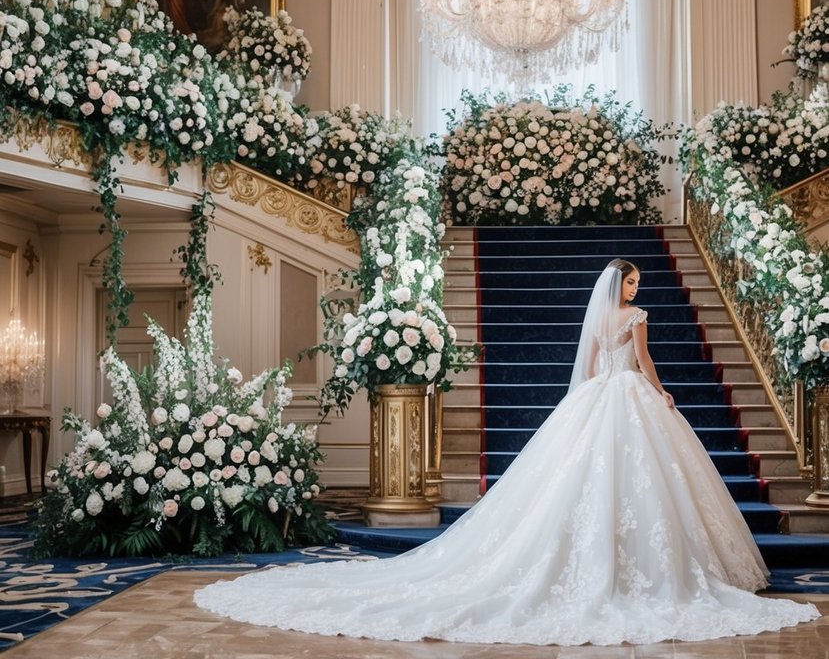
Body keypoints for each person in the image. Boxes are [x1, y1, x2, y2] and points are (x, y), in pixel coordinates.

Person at [194, 260, 820, 646]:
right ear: (622, 287)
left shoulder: (601, 319)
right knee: (643, 483)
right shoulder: (638, 317)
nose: (635, 286)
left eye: (635, 281)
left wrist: (616, 385)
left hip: (597, 396)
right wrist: (665, 396)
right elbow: (647, 363)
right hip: (626, 396)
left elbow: (596, 364)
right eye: (631, 280)